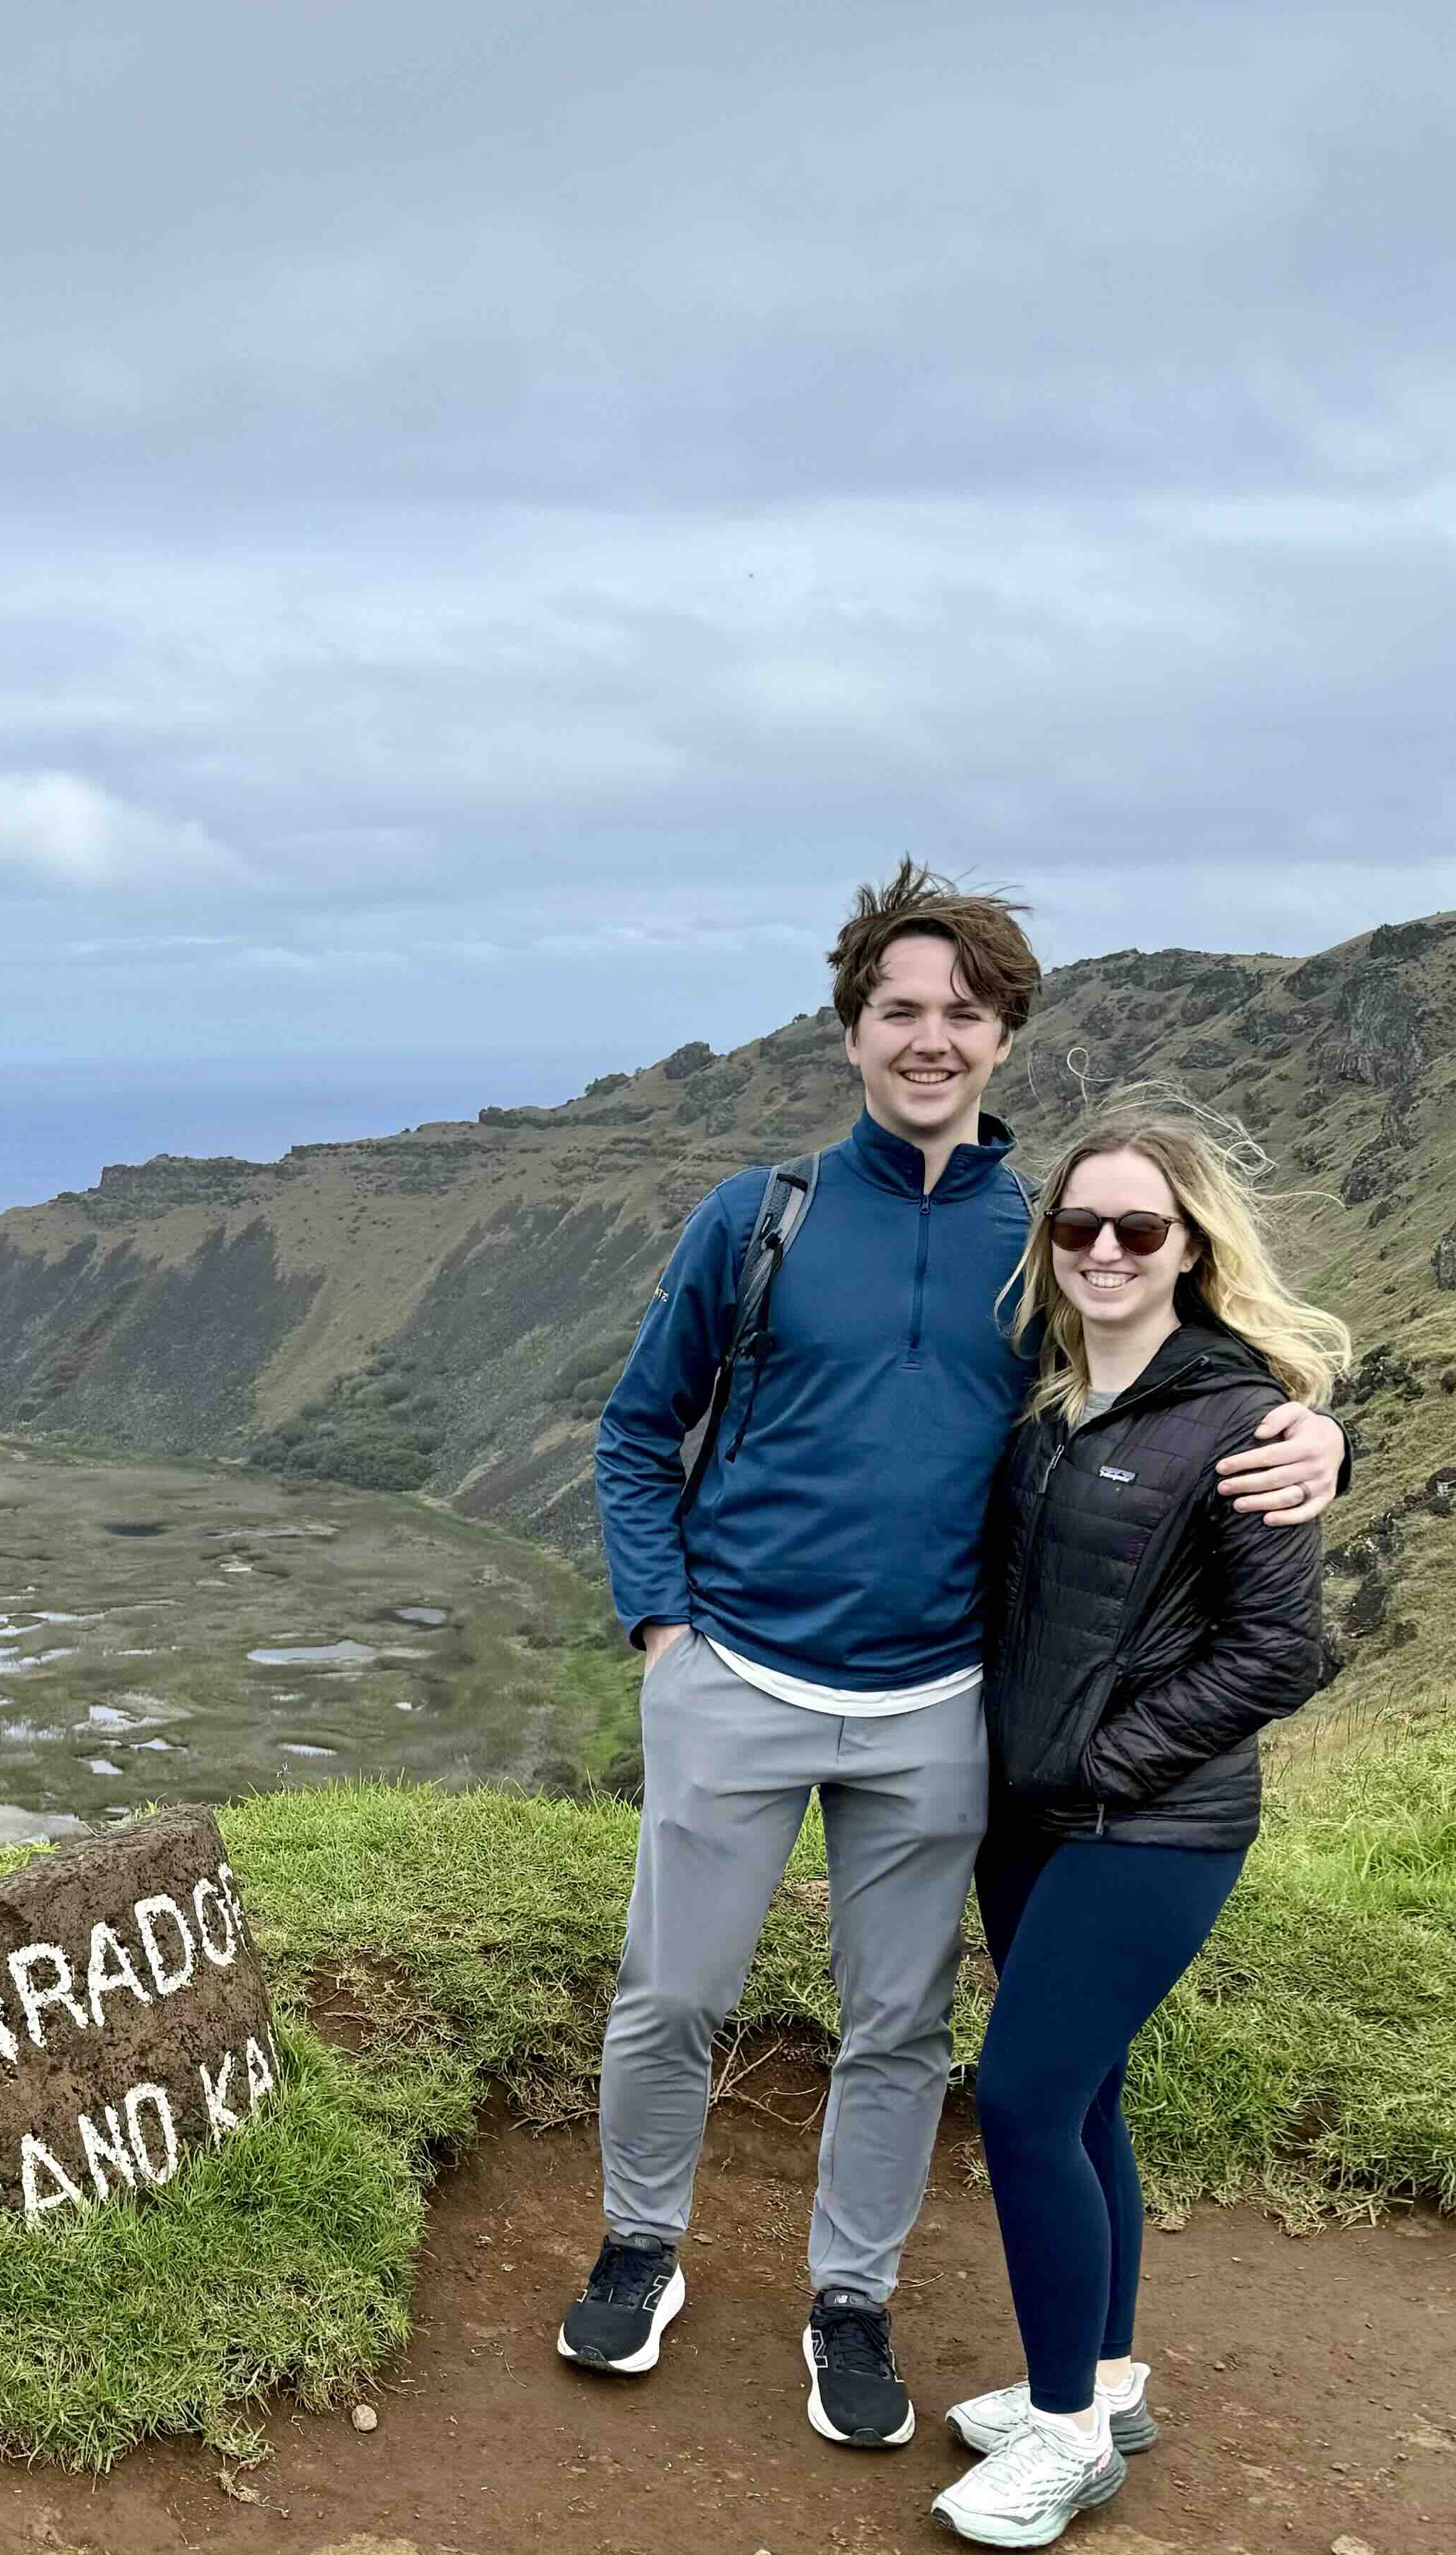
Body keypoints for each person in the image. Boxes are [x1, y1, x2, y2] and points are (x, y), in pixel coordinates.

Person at [565, 864, 1344, 2450]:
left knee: (900, 2027)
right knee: (670, 1994)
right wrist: (660, 1627)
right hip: (738, 1674)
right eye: (899, 1010)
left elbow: (1186, 1377)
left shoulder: (1041, 1236)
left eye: (963, 1014)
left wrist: (1324, 1437)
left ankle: (850, 2301)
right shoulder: (761, 1215)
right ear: (852, 1030)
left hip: (938, 1709)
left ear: (1004, 1040)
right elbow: (640, 1432)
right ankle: (641, 2248)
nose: (931, 1039)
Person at [931, 1097, 1347, 2546]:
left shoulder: (1243, 1424)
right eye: (1079, 1223)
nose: (1105, 1247)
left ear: (1189, 1249)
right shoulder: (1050, 1403)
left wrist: (1107, 1759)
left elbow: (1278, 1653)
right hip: (1033, 1818)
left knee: (1025, 2099)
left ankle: (1062, 2443)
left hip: (1148, 1829)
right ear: (1051, 1245)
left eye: (1138, 1227)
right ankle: (1103, 2383)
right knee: (1086, 2091)